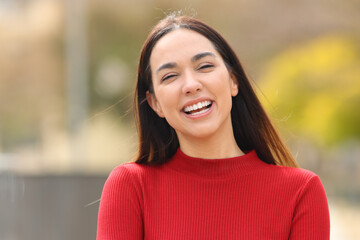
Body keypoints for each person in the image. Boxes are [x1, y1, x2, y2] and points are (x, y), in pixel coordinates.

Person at [96, 14, 330, 239]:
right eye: (169, 76)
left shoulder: (301, 192)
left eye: (205, 66)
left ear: (233, 81)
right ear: (155, 103)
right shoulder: (130, 187)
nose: (191, 85)